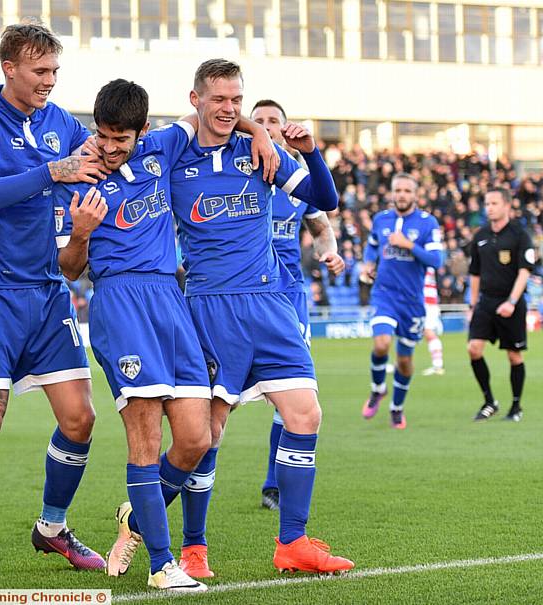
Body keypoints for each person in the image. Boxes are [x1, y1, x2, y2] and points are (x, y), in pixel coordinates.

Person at [55, 79, 276, 592]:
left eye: (121, 139)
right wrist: (83, 231)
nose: (110, 148)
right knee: (146, 439)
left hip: (171, 302)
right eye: (103, 136)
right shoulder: (77, 179)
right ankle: (161, 563)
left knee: (198, 439)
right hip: (120, 303)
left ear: (143, 132)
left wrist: (259, 134)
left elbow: (210, 116)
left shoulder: (165, 146)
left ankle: (136, 517)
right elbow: (68, 268)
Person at [170, 59, 354, 577]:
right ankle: (192, 548)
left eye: (236, 100)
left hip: (271, 304)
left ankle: (292, 542)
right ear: (196, 100)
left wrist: (308, 151)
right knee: (205, 435)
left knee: (305, 415)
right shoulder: (174, 158)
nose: (228, 110)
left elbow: (325, 198)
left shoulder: (260, 156)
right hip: (210, 308)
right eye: (219, 100)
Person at [0, 21, 107, 587]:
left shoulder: (61, 122)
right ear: (8, 68)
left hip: (46, 290)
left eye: (54, 72)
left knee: (80, 418)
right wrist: (53, 172)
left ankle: (52, 528)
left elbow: (87, 174)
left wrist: (82, 223)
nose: (49, 81)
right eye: (40, 71)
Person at [250, 99, 345, 512]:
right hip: (241, 291)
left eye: (274, 120)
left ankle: (274, 482)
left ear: (286, 129)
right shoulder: (238, 172)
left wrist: (329, 252)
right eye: (259, 120)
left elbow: (323, 228)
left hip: (288, 295)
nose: (267, 126)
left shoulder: (298, 181)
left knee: (292, 392)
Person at [360, 173, 442, 429]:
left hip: (412, 302)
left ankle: (396, 407)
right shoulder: (381, 220)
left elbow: (436, 260)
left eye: (407, 190)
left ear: (415, 195)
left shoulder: (428, 223)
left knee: (404, 360)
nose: (402, 195)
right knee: (382, 343)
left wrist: (409, 245)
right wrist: (369, 263)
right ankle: (377, 389)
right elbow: (372, 245)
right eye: (398, 190)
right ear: (392, 193)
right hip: (385, 294)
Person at [467, 188, 535, 422]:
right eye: (487, 203)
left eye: (494, 203)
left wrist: (512, 302)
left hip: (511, 302)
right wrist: (472, 305)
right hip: (485, 302)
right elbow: (474, 273)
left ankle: (516, 406)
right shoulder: (480, 235)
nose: (490, 207)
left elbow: (525, 271)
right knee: (473, 349)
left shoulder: (519, 234)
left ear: (507, 205)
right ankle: (489, 401)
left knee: (514, 356)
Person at [421, 267, 445, 375]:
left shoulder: (423, 264)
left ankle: (438, 365)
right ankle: (437, 365)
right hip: (429, 302)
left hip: (426, 303)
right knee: (427, 333)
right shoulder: (429, 263)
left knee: (429, 332)